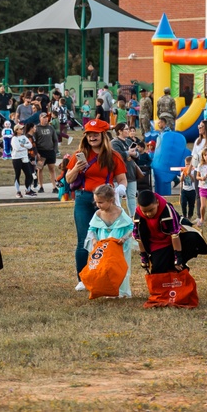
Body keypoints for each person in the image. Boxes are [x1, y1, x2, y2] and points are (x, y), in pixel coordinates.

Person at [65, 119, 128, 291]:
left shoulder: (113, 156)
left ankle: (106, 273)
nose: (92, 137)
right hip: (84, 198)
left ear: (103, 135)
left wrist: (120, 190)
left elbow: (122, 178)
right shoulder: (80, 154)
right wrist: (77, 168)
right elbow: (68, 179)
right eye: (89, 134)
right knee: (84, 238)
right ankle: (82, 278)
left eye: (95, 134)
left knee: (108, 239)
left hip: (107, 201)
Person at [85, 184, 133, 298]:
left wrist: (124, 238)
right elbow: (91, 228)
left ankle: (121, 291)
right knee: (104, 266)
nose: (98, 205)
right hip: (104, 243)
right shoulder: (98, 214)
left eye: (101, 202)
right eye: (96, 202)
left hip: (118, 244)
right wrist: (94, 239)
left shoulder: (120, 213)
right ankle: (106, 289)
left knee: (119, 265)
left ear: (111, 200)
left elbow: (132, 227)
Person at [133, 189, 187, 274]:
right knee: (157, 270)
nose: (148, 214)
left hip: (172, 241)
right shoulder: (138, 215)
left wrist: (178, 257)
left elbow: (175, 234)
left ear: (157, 203)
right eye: (145, 211)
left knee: (178, 267)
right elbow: (139, 238)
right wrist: (144, 257)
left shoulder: (167, 209)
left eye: (151, 210)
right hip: (155, 244)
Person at [32, 112, 60, 193]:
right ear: (40, 118)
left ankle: (54, 187)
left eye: (46, 117)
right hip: (41, 152)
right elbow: (34, 141)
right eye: (44, 117)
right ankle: (41, 186)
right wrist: (36, 152)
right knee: (40, 169)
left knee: (52, 169)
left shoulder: (51, 128)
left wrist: (55, 150)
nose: (45, 119)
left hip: (50, 151)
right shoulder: (37, 128)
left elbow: (55, 139)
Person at [10, 124, 35, 198]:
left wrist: (23, 146)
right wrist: (25, 147)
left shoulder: (24, 137)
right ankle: (18, 191)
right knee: (17, 174)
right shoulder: (14, 138)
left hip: (24, 157)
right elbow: (17, 148)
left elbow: (30, 145)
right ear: (16, 130)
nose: (22, 130)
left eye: (22, 129)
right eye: (20, 129)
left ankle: (28, 190)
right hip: (16, 158)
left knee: (29, 174)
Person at [179, 155, 197, 222]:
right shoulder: (183, 171)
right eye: (186, 164)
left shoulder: (194, 171)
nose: (187, 166)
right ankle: (184, 215)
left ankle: (190, 215)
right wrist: (183, 175)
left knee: (191, 204)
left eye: (189, 165)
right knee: (183, 203)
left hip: (192, 190)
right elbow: (181, 180)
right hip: (185, 190)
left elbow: (193, 180)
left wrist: (189, 174)